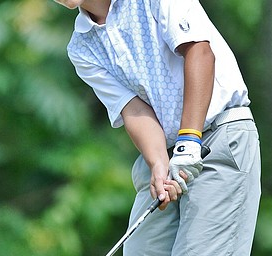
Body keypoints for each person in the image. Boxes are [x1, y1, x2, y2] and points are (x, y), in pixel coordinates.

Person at [53, 0, 261, 255]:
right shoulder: (81, 48)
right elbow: (134, 109)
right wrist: (159, 164)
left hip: (218, 139)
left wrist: (189, 140)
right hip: (165, 154)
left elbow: (199, 51)